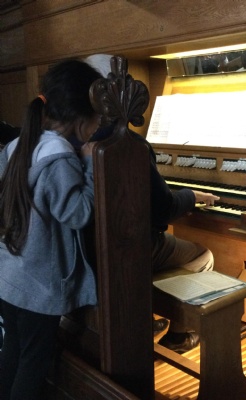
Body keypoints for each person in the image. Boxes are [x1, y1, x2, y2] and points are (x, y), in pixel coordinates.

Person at [84, 54, 220, 353]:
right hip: (130, 246)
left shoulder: (83, 137)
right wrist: (191, 196)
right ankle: (180, 334)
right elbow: (163, 209)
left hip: (94, 245)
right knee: (203, 255)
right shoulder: (130, 144)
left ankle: (151, 311)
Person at [0, 59, 103, 400]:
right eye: (98, 117)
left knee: (13, 352)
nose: (99, 125)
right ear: (81, 118)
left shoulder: (21, 144)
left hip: (10, 277)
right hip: (37, 287)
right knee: (34, 364)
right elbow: (77, 213)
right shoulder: (60, 157)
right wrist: (90, 165)